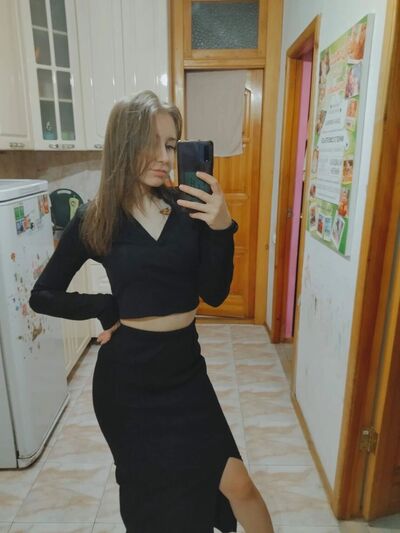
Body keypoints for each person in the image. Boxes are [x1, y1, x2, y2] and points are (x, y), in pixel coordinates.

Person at [29, 91, 274, 533]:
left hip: (185, 371)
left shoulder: (188, 208)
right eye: (153, 143)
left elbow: (215, 293)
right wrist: (105, 306)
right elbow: (43, 294)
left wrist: (221, 228)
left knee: (239, 486)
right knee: (151, 504)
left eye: (171, 144)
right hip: (127, 384)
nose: (165, 156)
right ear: (125, 144)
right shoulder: (97, 217)